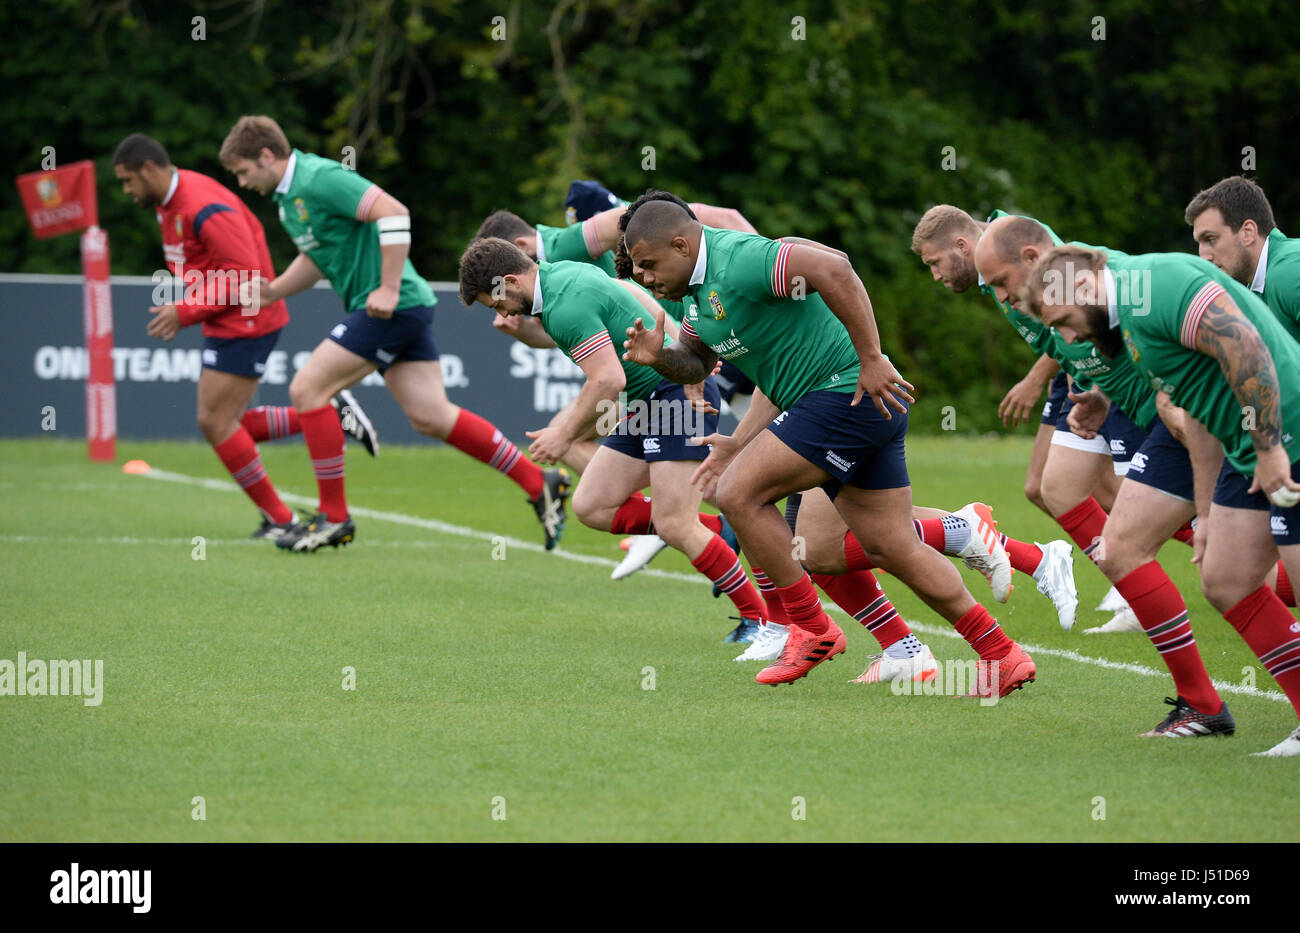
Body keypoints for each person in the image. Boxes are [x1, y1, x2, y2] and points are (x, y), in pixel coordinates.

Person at [621, 198, 1034, 695]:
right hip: (855, 407)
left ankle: (812, 629)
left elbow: (833, 266)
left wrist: (872, 357)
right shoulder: (691, 294)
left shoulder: (739, 259)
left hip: (846, 394)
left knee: (736, 494)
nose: (644, 277)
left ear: (682, 244)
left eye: (648, 264)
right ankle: (1001, 653)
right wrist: (658, 358)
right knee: (884, 545)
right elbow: (692, 361)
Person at [220, 115, 569, 552]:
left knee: (308, 388)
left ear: (266, 156)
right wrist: (272, 292)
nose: (242, 182)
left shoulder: (320, 178)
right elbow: (315, 260)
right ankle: (539, 481)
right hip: (402, 306)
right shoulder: (289, 201)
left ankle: (334, 518)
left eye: (243, 172)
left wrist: (386, 286)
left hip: (393, 304)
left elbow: (394, 211)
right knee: (431, 416)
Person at [1026, 244, 1300, 756]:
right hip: (1241, 445)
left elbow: (1245, 347)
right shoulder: (1126, 325)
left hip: (1287, 429)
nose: (1067, 338)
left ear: (1084, 288)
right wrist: (1207, 511)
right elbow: (1194, 407)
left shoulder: (1158, 283)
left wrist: (1268, 446)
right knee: (1225, 578)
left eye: (1064, 320)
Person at [458, 239, 770, 633]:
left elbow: (608, 379)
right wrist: (684, 351)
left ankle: (760, 621)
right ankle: (717, 530)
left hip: (673, 399)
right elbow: (631, 294)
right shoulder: (560, 277)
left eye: (497, 302)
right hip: (649, 401)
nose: (500, 312)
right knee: (592, 505)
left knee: (674, 524)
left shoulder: (563, 301)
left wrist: (563, 436)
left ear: (509, 281)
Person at [111, 132, 377, 541]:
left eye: (128, 181)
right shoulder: (169, 204)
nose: (127, 191)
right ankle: (329, 414)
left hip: (247, 318)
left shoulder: (202, 205)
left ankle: (281, 517)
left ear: (149, 170)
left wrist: (186, 310)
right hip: (227, 318)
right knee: (226, 423)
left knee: (214, 420)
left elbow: (247, 278)